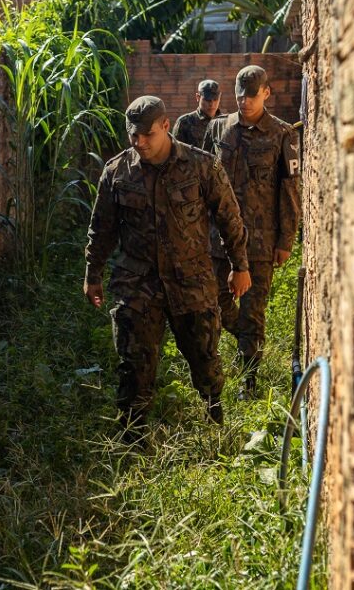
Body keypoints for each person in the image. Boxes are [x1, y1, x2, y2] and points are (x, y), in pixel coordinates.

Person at [83, 95, 251, 434]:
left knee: (204, 357)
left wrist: (240, 265)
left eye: (148, 134)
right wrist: (93, 272)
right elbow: (101, 228)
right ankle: (133, 435)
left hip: (191, 280)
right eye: (133, 135)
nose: (139, 142)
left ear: (165, 125)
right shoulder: (117, 172)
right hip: (137, 284)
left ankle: (214, 419)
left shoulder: (201, 166)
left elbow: (229, 217)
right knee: (134, 364)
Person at [206, 66, 300, 399]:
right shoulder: (218, 128)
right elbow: (205, 181)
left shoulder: (282, 134)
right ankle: (244, 340)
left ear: (266, 93)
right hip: (219, 240)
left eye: (251, 95)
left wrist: (285, 240)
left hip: (259, 242)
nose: (244, 101)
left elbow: (290, 191)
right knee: (216, 302)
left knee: (253, 310)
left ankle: (249, 381)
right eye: (240, 95)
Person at [171, 79, 225, 149]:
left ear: (219, 97)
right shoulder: (184, 122)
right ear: (198, 97)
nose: (212, 104)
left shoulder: (226, 122)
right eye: (207, 100)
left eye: (215, 99)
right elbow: (176, 152)